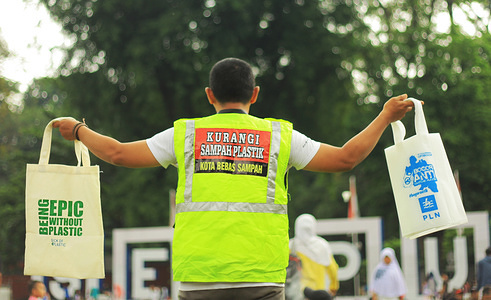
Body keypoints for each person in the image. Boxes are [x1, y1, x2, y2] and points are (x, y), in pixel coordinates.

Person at [53, 57, 415, 299]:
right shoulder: (280, 136)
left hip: (199, 279)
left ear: (209, 95)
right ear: (255, 95)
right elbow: (346, 158)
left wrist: (80, 130)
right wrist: (384, 116)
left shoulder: (186, 134)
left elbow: (117, 152)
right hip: (261, 281)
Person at [288, 214, 338, 300]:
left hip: (297, 292)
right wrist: (333, 287)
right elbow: (333, 269)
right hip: (319, 292)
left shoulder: (291, 246)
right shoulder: (322, 245)